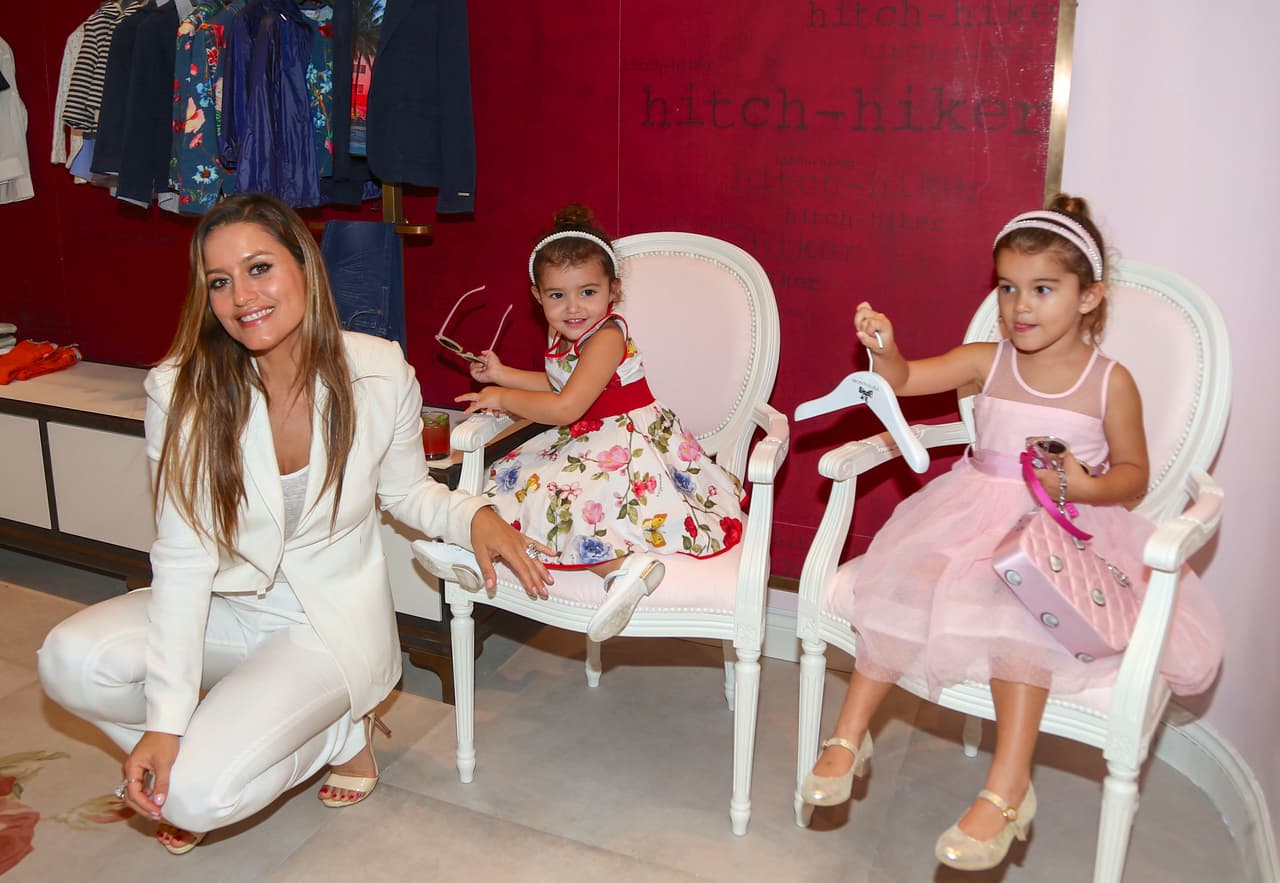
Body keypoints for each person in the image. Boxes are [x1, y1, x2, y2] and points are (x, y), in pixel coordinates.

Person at [36, 193, 550, 854]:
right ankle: (203, 741)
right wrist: (166, 722)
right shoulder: (181, 388)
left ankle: (341, 732)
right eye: (219, 281)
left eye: (259, 268)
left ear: (304, 264)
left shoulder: (378, 369)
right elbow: (184, 555)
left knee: (194, 797)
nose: (241, 296)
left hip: (321, 624)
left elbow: (406, 493)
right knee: (69, 660)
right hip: (227, 606)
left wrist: (473, 511)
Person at [798, 195, 1223, 872]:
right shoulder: (985, 360)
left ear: (1091, 298)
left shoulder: (1109, 382)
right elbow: (906, 381)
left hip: (1056, 528)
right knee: (901, 577)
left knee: (1018, 613)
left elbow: (1133, 476)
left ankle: (1007, 786)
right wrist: (886, 352)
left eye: (1044, 289)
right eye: (1007, 288)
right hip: (968, 513)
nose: (1020, 306)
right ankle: (849, 737)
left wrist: (1083, 484)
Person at [416, 204, 746, 641]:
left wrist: (501, 397)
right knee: (516, 483)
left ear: (614, 289)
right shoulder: (569, 332)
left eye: (588, 292)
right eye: (557, 296)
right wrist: (502, 374)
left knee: (573, 504)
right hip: (590, 434)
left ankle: (624, 572)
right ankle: (476, 553)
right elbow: (560, 382)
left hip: (628, 443)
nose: (573, 307)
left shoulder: (607, 336)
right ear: (538, 296)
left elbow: (567, 406)